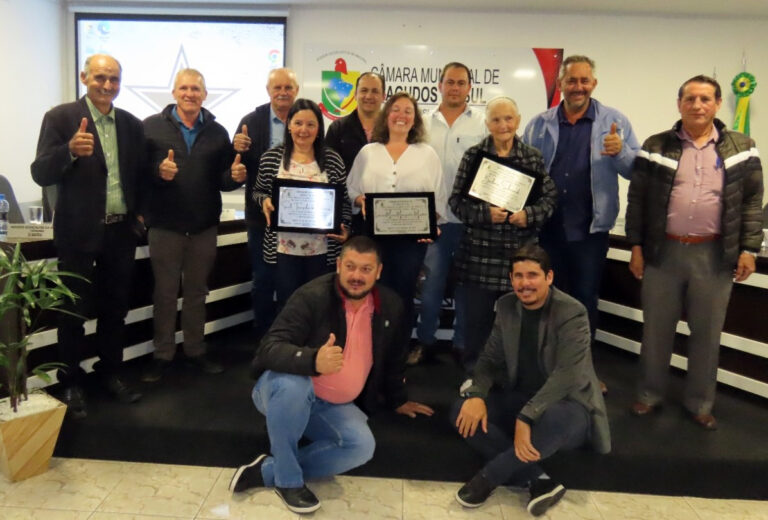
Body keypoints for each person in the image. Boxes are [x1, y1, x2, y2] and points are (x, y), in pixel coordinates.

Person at [229, 236, 434, 514]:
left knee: (361, 447)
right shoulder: (311, 296)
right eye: (350, 266)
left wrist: (398, 398)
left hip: (332, 405)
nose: (356, 276)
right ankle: (288, 482)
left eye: (365, 269)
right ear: (338, 265)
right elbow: (268, 350)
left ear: (379, 271)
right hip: (283, 392)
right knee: (294, 384)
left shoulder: (392, 305)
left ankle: (268, 471)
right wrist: (312, 360)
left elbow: (395, 359)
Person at [626, 75, 763, 430]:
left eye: (705, 99)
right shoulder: (656, 145)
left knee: (707, 332)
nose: (697, 105)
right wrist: (636, 247)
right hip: (663, 252)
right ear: (679, 104)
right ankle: (649, 394)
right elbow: (637, 199)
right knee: (656, 329)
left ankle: (700, 402)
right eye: (690, 99)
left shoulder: (742, 147)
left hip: (714, 255)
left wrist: (749, 248)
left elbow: (751, 202)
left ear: (718, 104)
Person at [451, 244, 610, 516]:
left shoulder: (572, 312)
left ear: (549, 277)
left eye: (533, 275)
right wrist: (476, 394)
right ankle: (538, 479)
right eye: (518, 276)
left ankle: (490, 477)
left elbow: (568, 375)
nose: (525, 283)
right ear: (511, 279)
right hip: (520, 396)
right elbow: (488, 360)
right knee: (461, 411)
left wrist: (526, 417)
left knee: (554, 421)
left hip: (568, 405)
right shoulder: (506, 306)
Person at [31, 54, 145, 418]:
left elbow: (137, 174)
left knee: (115, 309)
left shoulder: (130, 124)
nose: (107, 85)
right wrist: (68, 152)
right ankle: (71, 381)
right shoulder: (61, 118)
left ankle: (110, 372)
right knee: (72, 311)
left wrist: (140, 215)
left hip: (120, 232)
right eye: (100, 77)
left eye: (114, 79)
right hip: (77, 233)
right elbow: (39, 172)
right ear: (84, 77)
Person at [522, 55, 639, 350]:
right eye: (571, 80)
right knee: (548, 298)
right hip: (547, 230)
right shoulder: (538, 125)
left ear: (594, 84)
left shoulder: (616, 122)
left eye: (584, 80)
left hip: (590, 230)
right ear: (560, 84)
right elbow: (522, 174)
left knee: (585, 299)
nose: (578, 87)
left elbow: (636, 171)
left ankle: (581, 368)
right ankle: (549, 365)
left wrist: (621, 152)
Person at [141, 68, 246, 382]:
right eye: (184, 88)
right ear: (174, 93)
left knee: (197, 293)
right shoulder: (150, 128)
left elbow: (224, 178)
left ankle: (195, 350)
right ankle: (163, 355)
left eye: (196, 89)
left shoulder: (217, 131)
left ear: (204, 94)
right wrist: (158, 171)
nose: (190, 94)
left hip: (203, 227)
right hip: (165, 227)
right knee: (165, 294)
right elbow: (138, 173)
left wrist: (235, 178)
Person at [449, 97, 557, 370]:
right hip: (479, 258)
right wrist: (486, 214)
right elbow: (456, 203)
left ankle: (516, 377)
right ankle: (474, 377)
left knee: (520, 325)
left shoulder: (532, 157)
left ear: (518, 121)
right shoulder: (474, 156)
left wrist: (528, 215)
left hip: (520, 258)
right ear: (487, 124)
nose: (503, 125)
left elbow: (549, 200)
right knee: (477, 326)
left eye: (508, 118)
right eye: (496, 119)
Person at [347, 92, 444, 356]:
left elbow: (438, 199)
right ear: (386, 115)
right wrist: (360, 199)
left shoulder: (427, 155)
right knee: (371, 293)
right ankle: (368, 352)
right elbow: (351, 188)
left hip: (410, 242)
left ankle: (396, 354)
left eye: (408, 111)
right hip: (372, 239)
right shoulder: (368, 152)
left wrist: (430, 226)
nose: (401, 115)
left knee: (401, 295)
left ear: (415, 120)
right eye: (396, 109)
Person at [410, 62, 487, 366]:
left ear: (470, 88)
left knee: (467, 288)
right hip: (433, 221)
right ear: (439, 85)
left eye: (461, 83)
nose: (455, 87)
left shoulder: (481, 125)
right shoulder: (422, 123)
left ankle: (462, 344)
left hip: (469, 222)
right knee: (430, 287)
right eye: (449, 82)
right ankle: (425, 342)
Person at [253, 99, 351, 308]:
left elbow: (343, 202)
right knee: (287, 305)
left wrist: (345, 229)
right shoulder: (271, 158)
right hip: (283, 251)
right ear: (289, 125)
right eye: (298, 123)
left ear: (319, 128)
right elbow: (258, 191)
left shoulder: (333, 160)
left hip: (322, 251)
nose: (303, 130)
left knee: (319, 306)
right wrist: (265, 201)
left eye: (310, 124)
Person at [234, 68, 300, 337]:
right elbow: (235, 165)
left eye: (288, 88)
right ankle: (263, 335)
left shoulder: (306, 119)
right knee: (263, 278)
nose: (283, 92)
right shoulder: (251, 121)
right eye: (277, 88)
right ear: (268, 91)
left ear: (296, 91)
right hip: (261, 216)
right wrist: (235, 147)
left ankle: (290, 334)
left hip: (298, 217)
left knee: (292, 281)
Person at [326, 72, 386, 236]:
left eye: (375, 91)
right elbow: (328, 174)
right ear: (355, 94)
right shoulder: (337, 129)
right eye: (364, 90)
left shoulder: (393, 131)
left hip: (385, 216)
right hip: (346, 215)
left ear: (383, 96)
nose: (369, 96)